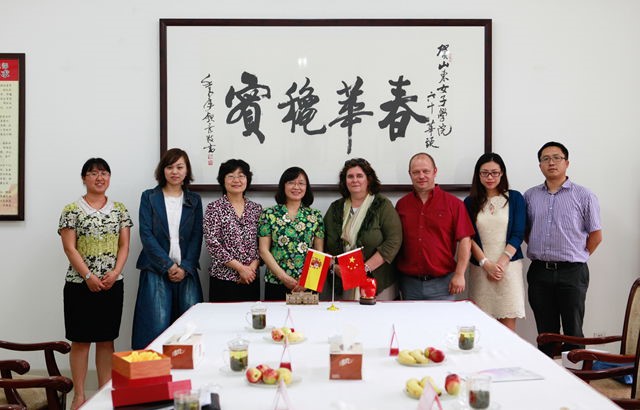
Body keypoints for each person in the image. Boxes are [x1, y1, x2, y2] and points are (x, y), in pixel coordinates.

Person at [58, 158, 132, 409]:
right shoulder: (71, 210)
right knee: (80, 341)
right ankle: (79, 395)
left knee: (106, 340)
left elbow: (124, 245)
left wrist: (116, 272)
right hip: (79, 284)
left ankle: (103, 395)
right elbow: (69, 248)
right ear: (84, 178)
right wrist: (88, 276)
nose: (99, 178)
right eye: (93, 173)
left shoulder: (119, 209)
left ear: (109, 177)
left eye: (104, 173)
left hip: (112, 284)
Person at [525, 141, 602, 356]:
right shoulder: (530, 196)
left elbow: (596, 235)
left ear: (566, 163)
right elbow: (526, 231)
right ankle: (548, 371)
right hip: (539, 272)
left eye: (556, 158)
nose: (551, 162)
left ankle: (575, 374)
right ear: (540, 165)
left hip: (572, 272)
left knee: (573, 331)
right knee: (546, 332)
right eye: (546, 159)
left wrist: (578, 255)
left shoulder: (584, 195)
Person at [132, 148, 203, 350]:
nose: (175, 172)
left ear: (187, 171)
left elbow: (197, 236)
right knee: (155, 326)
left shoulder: (194, 200)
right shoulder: (149, 197)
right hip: (156, 268)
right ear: (162, 170)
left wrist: (185, 267)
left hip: (186, 270)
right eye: (170, 167)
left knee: (191, 327)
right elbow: (146, 234)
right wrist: (168, 266)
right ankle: (153, 366)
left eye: (180, 167)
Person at [395, 152, 475, 300]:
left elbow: (465, 240)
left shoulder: (454, 204)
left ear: (435, 171)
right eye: (416, 172)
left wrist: (459, 274)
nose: (421, 176)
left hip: (443, 284)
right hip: (409, 284)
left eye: (426, 171)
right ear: (410, 174)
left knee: (444, 317)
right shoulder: (402, 205)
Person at [322, 158, 402, 301]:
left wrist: (363, 269)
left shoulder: (382, 205)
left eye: (359, 176)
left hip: (375, 281)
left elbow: (394, 240)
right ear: (345, 181)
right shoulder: (335, 208)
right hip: (341, 281)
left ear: (368, 179)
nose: (355, 180)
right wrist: (333, 266)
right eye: (350, 176)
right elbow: (323, 242)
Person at [463, 153, 526, 331]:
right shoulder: (470, 202)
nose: (490, 177)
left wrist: (500, 264)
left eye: (494, 173)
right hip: (480, 269)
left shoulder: (515, 198)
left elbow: (518, 233)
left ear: (502, 173)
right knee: (481, 327)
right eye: (484, 173)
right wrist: (485, 263)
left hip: (508, 268)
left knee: (507, 329)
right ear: (478, 175)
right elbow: (468, 237)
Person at [258, 167, 325, 300]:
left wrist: (308, 280)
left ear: (307, 187)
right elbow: (263, 250)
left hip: (308, 283)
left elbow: (319, 252)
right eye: (291, 183)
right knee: (276, 314)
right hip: (276, 281)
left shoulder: (315, 215)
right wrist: (283, 277)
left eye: (301, 183)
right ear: (283, 186)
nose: (296, 187)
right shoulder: (269, 214)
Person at [203, 159, 262, 301]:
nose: (236, 180)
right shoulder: (214, 208)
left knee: (252, 315)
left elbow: (262, 243)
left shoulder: (256, 209)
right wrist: (240, 269)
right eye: (231, 176)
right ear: (222, 180)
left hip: (251, 278)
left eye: (241, 176)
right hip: (223, 279)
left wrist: (251, 269)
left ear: (247, 179)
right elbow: (212, 244)